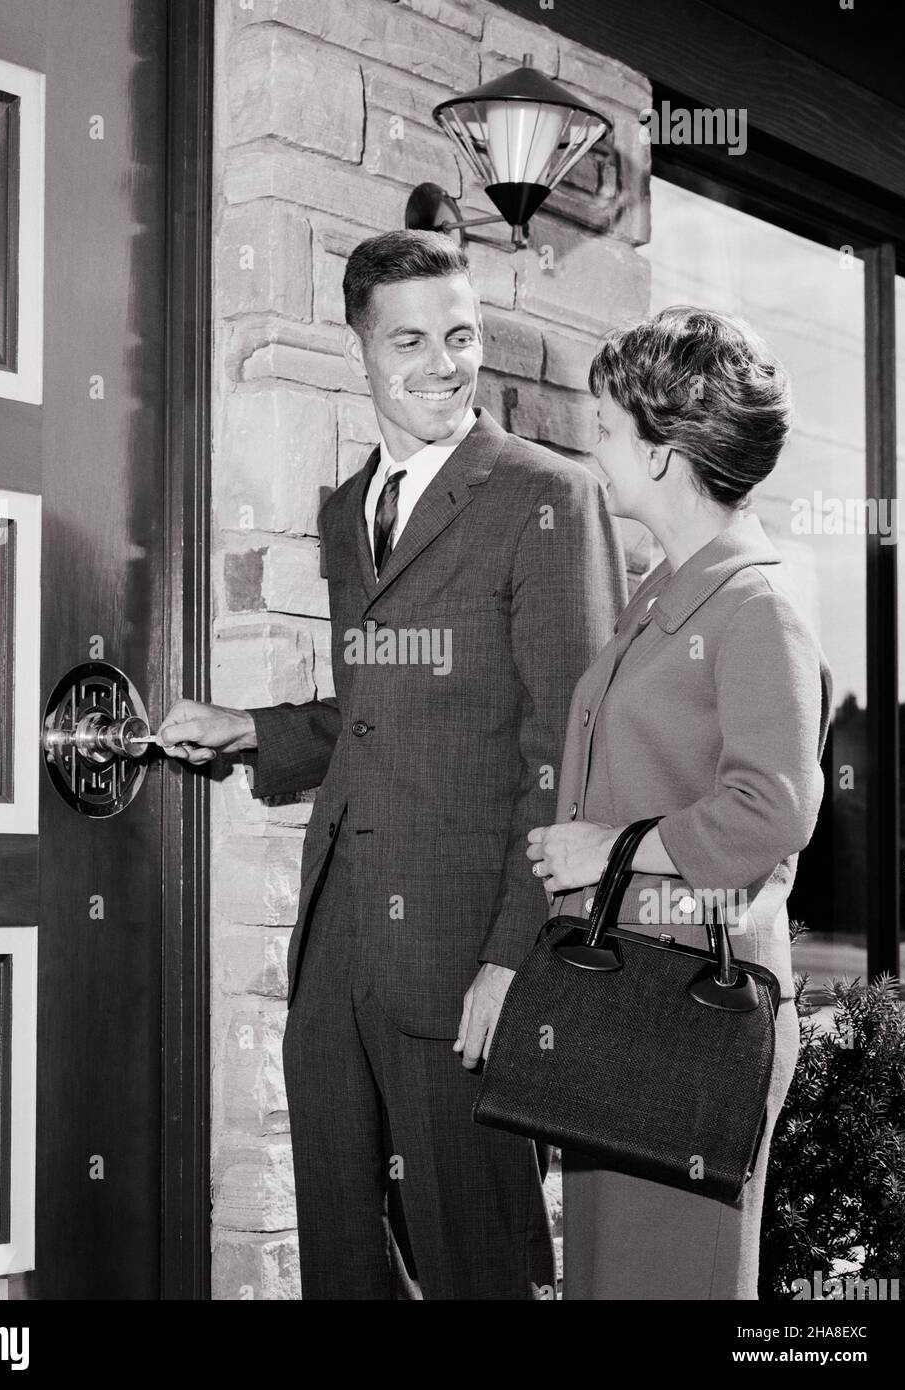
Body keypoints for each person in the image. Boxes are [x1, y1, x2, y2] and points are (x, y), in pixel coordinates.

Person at [158, 229, 627, 1299]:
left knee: (478, 1264)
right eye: (409, 338)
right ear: (359, 347)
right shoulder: (345, 513)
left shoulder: (548, 497)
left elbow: (571, 754)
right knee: (341, 1252)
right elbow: (380, 715)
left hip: (466, 960)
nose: (441, 362)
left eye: (460, 335)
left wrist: (516, 960)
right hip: (338, 952)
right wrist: (250, 729)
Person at [526, 305, 832, 1300]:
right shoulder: (670, 591)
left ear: (662, 455)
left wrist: (612, 848)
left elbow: (773, 809)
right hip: (628, 999)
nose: (593, 448)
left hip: (695, 1018)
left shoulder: (755, 607)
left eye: (607, 429)